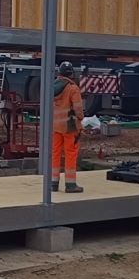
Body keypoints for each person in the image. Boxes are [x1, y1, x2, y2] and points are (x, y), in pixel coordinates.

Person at [51, 61, 85, 193]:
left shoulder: (52, 86)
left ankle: (53, 183)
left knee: (55, 153)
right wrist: (81, 119)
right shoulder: (72, 88)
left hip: (55, 126)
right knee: (70, 153)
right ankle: (70, 185)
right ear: (71, 73)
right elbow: (78, 109)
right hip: (70, 127)